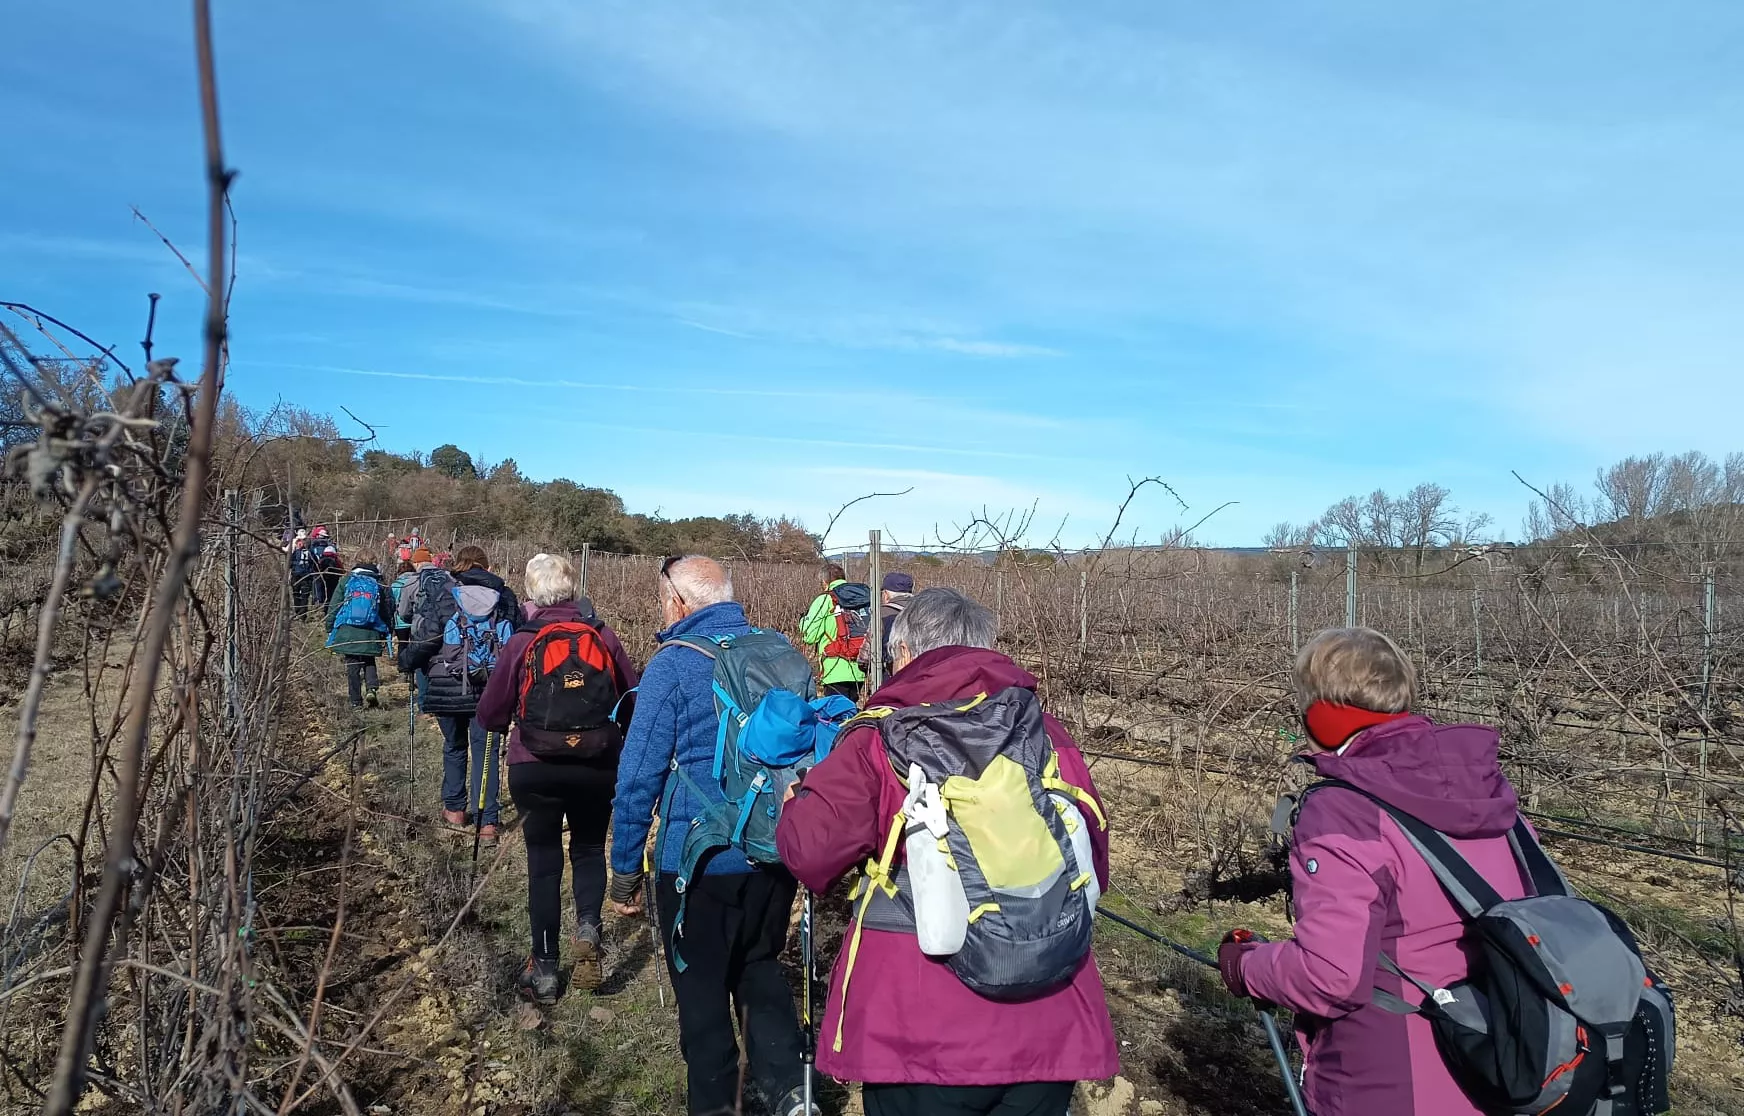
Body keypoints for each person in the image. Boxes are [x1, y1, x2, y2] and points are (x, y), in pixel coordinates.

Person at [776, 587, 1118, 1116]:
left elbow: (809, 853)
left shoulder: (878, 736)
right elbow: (1093, 856)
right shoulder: (1044, 731)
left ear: (904, 652)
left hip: (919, 1027)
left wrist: (795, 805)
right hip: (1048, 1017)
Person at [1216, 627, 1532, 1116]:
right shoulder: (1485, 790)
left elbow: (1330, 977)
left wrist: (1246, 966)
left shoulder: (1345, 811)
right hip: (1509, 1061)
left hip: (1392, 1080)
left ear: (1322, 716)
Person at [609, 556, 812, 1116]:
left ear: (677, 602)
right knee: (759, 965)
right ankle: (792, 1089)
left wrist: (624, 870)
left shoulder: (673, 664)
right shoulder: (779, 652)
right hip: (773, 850)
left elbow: (638, 776)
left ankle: (718, 1105)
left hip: (697, 862)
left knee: (701, 997)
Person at [478, 554, 640, 1003]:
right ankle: (588, 927)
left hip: (534, 764)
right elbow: (631, 702)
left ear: (532, 593)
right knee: (588, 849)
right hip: (597, 762)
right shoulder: (603, 636)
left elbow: (490, 713)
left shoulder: (522, 640)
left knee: (543, 863)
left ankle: (546, 970)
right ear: (572, 590)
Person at [401, 545, 520, 836]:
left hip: (447, 684)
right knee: (486, 751)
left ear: (458, 565)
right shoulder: (504, 596)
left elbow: (428, 636)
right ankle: (487, 821)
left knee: (454, 745)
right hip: (490, 685)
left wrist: (407, 661)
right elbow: (517, 640)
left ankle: (455, 810)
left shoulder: (445, 592)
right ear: (486, 566)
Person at [323, 549, 395, 708]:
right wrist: (388, 630)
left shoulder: (347, 580)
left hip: (348, 629)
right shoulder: (379, 582)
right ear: (374, 562)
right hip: (371, 629)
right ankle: (371, 688)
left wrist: (329, 626)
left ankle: (356, 702)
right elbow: (387, 608)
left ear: (356, 561)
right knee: (369, 659)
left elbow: (334, 605)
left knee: (352, 665)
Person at [800, 562, 868, 703]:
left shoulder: (824, 599)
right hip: (860, 666)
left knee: (837, 711)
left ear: (824, 582)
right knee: (851, 708)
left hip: (834, 668)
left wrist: (803, 621)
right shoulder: (861, 597)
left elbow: (809, 636)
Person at [856, 571, 914, 679]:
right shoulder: (923, 611)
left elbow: (865, 658)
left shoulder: (881, 614)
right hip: (921, 677)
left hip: (891, 678)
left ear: (886, 594)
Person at [387, 559, 417, 662]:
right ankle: (413, 666)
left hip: (400, 621)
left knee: (402, 644)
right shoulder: (417, 583)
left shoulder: (395, 585)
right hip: (416, 620)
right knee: (415, 645)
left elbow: (391, 604)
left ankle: (402, 665)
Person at [287, 528, 320, 620]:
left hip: (297, 575)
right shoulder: (311, 552)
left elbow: (289, 564)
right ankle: (302, 614)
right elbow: (316, 564)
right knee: (304, 595)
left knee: (296, 594)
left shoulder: (296, 552)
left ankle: (298, 612)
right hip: (306, 576)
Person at [311, 525, 343, 608]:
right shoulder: (330, 547)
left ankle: (318, 601)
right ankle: (326, 603)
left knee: (318, 585)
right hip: (330, 573)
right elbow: (339, 566)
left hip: (318, 570)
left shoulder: (313, 546)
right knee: (329, 589)